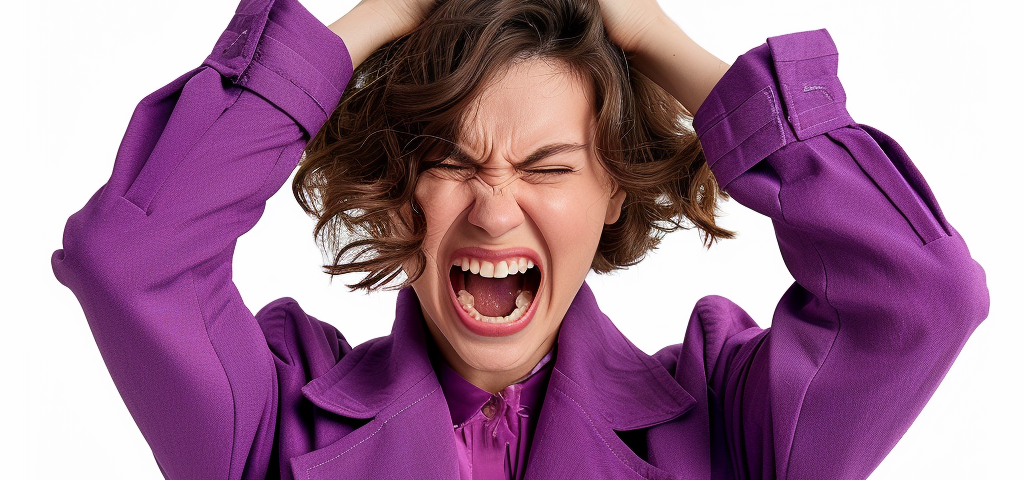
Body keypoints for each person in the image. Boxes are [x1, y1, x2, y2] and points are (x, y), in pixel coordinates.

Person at [51, 0, 989, 478]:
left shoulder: (731, 423)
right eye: (453, 163)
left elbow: (922, 294)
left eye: (548, 169)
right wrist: (375, 18)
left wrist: (654, 35)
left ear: (615, 194)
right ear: (394, 195)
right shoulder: (271, 423)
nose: (496, 211)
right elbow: (130, 259)